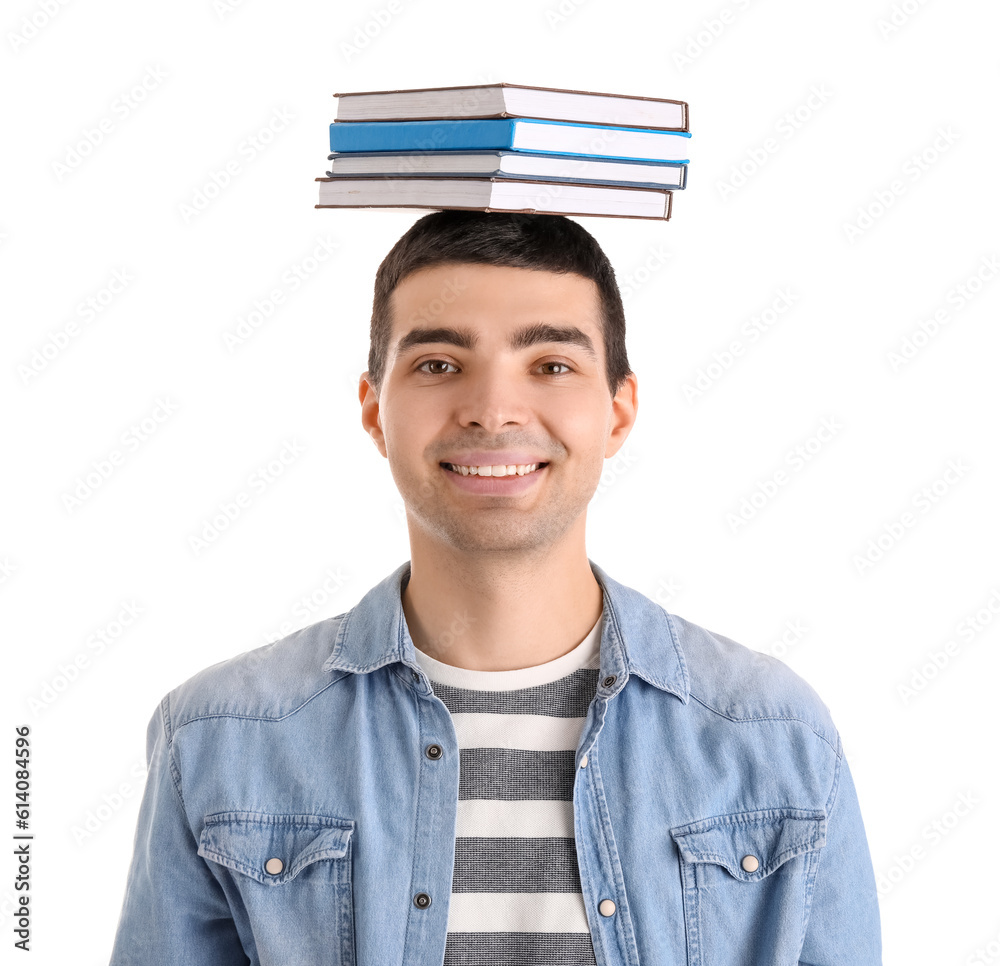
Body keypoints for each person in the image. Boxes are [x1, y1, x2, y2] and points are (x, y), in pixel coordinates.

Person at [109, 211, 882, 965]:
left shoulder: (777, 738)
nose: (492, 411)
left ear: (618, 412)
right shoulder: (218, 739)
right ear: (376, 411)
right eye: (439, 365)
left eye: (550, 365)